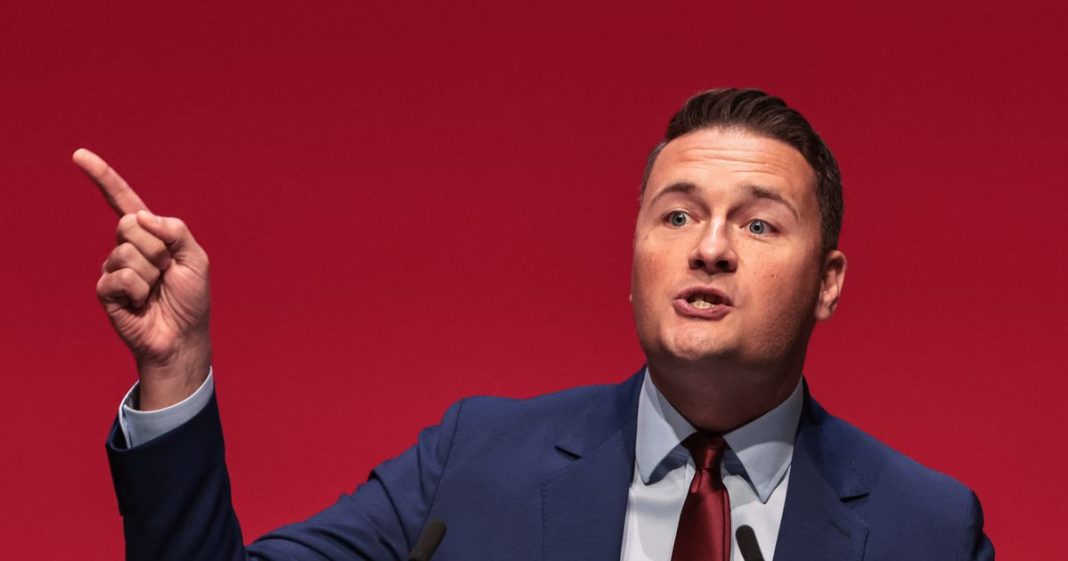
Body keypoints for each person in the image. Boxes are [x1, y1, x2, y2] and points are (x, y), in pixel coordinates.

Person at [82, 88, 994, 561]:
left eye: (758, 225)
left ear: (828, 281)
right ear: (634, 255)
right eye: (677, 215)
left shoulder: (925, 526)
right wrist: (176, 371)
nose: (710, 248)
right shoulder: (475, 462)